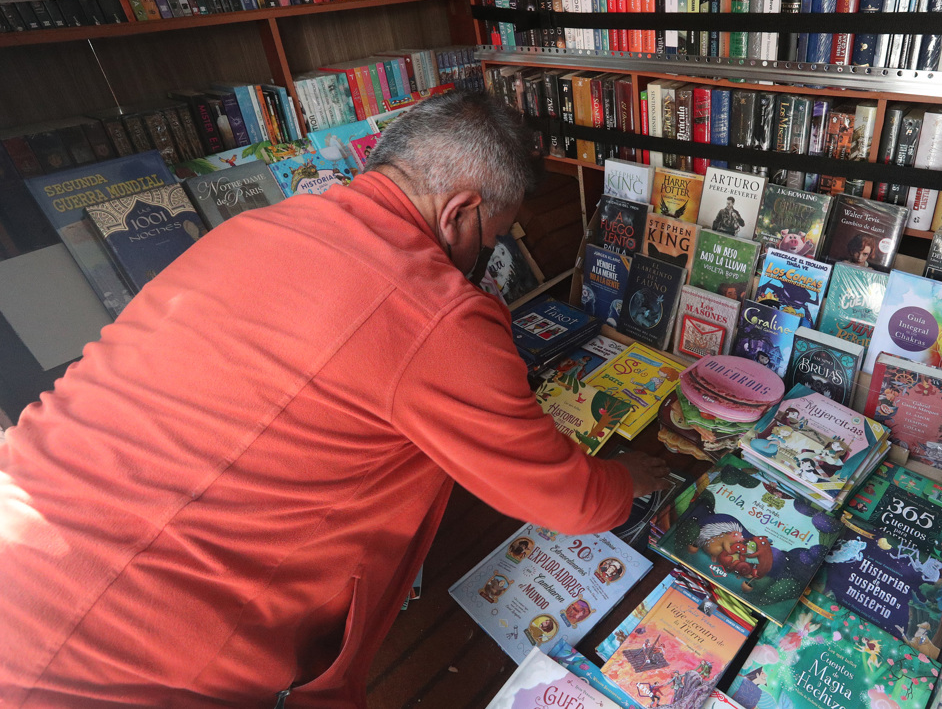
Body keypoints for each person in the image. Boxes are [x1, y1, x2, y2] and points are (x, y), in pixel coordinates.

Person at [0, 91, 670, 708]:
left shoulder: (253, 226)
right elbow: (569, 500)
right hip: (123, 655)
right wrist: (627, 479)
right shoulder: (435, 311)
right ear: (460, 211)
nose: (483, 257)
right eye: (490, 240)